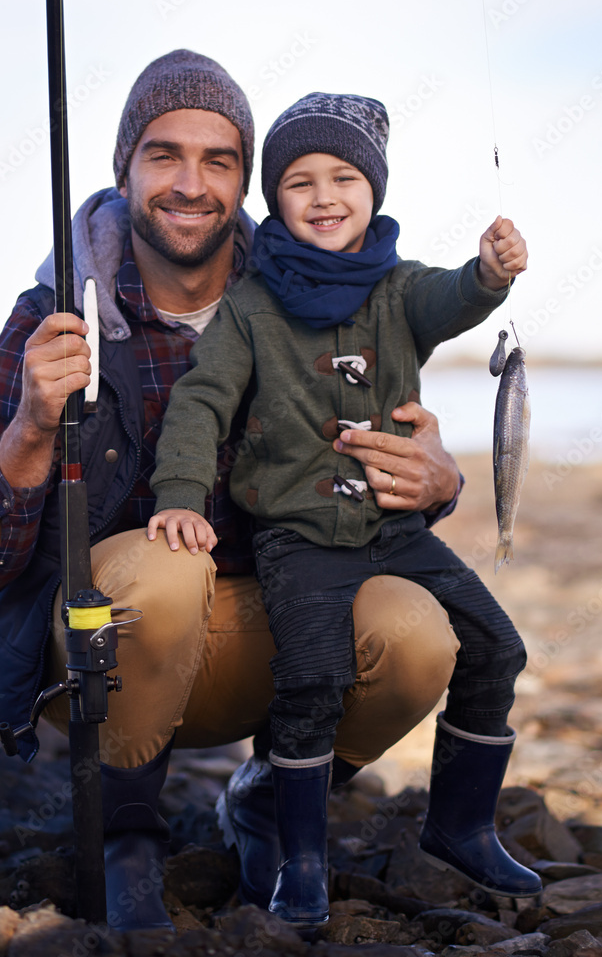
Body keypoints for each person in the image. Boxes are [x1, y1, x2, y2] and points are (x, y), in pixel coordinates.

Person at [0, 51, 471, 932]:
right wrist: (32, 428)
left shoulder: (318, 306)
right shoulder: (52, 313)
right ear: (124, 169)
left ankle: (267, 795)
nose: (190, 184)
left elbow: (377, 476)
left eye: (219, 160)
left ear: (245, 182)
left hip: (279, 636)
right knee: (165, 565)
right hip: (102, 657)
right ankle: (127, 830)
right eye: (163, 155)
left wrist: (435, 483)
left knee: (419, 634)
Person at [148, 92, 540, 928]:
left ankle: (461, 824)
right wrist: (180, 497)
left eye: (345, 178)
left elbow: (459, 298)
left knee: (497, 647)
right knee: (313, 680)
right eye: (300, 181)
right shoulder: (251, 307)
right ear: (274, 200)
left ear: (375, 190)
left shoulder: (401, 291)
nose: (325, 196)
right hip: (298, 541)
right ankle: (301, 862)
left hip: (394, 532)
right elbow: (200, 403)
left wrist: (492, 272)